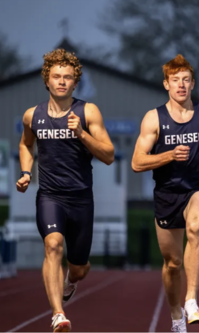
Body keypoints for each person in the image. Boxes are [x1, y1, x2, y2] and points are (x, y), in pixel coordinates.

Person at [17, 48, 115, 332]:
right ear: (46, 79)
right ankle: (58, 314)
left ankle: (71, 281)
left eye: (68, 77)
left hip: (81, 199)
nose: (61, 81)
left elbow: (108, 155)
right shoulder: (32, 116)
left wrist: (81, 134)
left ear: (75, 82)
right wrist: (26, 172)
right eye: (56, 76)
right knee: (52, 245)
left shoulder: (87, 112)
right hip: (50, 196)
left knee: (79, 268)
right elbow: (25, 144)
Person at [131, 54, 199, 333]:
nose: (181, 86)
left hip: (198, 188)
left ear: (193, 83)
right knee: (172, 264)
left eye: (186, 80)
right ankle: (176, 316)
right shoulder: (154, 119)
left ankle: (191, 300)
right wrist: (169, 155)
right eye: (176, 81)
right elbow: (137, 162)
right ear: (166, 85)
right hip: (166, 194)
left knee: (196, 227)